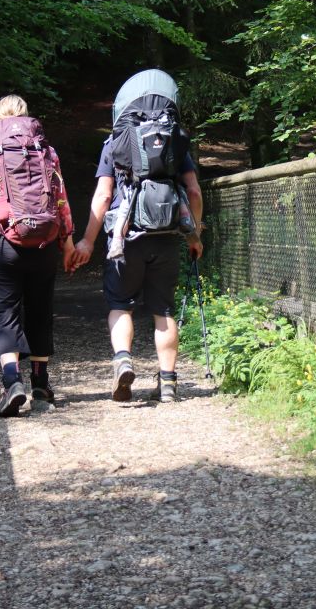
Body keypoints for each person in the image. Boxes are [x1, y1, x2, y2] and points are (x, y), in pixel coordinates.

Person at [71, 70, 204, 403]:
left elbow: (102, 197)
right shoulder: (176, 140)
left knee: (120, 305)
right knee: (164, 310)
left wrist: (87, 240)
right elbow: (194, 192)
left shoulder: (115, 141)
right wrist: (194, 236)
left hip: (126, 237)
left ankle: (123, 362)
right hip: (167, 234)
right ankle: (169, 383)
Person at [0, 95, 77, 417]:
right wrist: (67, 242)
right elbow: (60, 198)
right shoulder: (47, 153)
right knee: (40, 309)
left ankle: (12, 382)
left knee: (4, 311)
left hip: (0, 243)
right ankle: (41, 384)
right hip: (44, 242)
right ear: (26, 117)